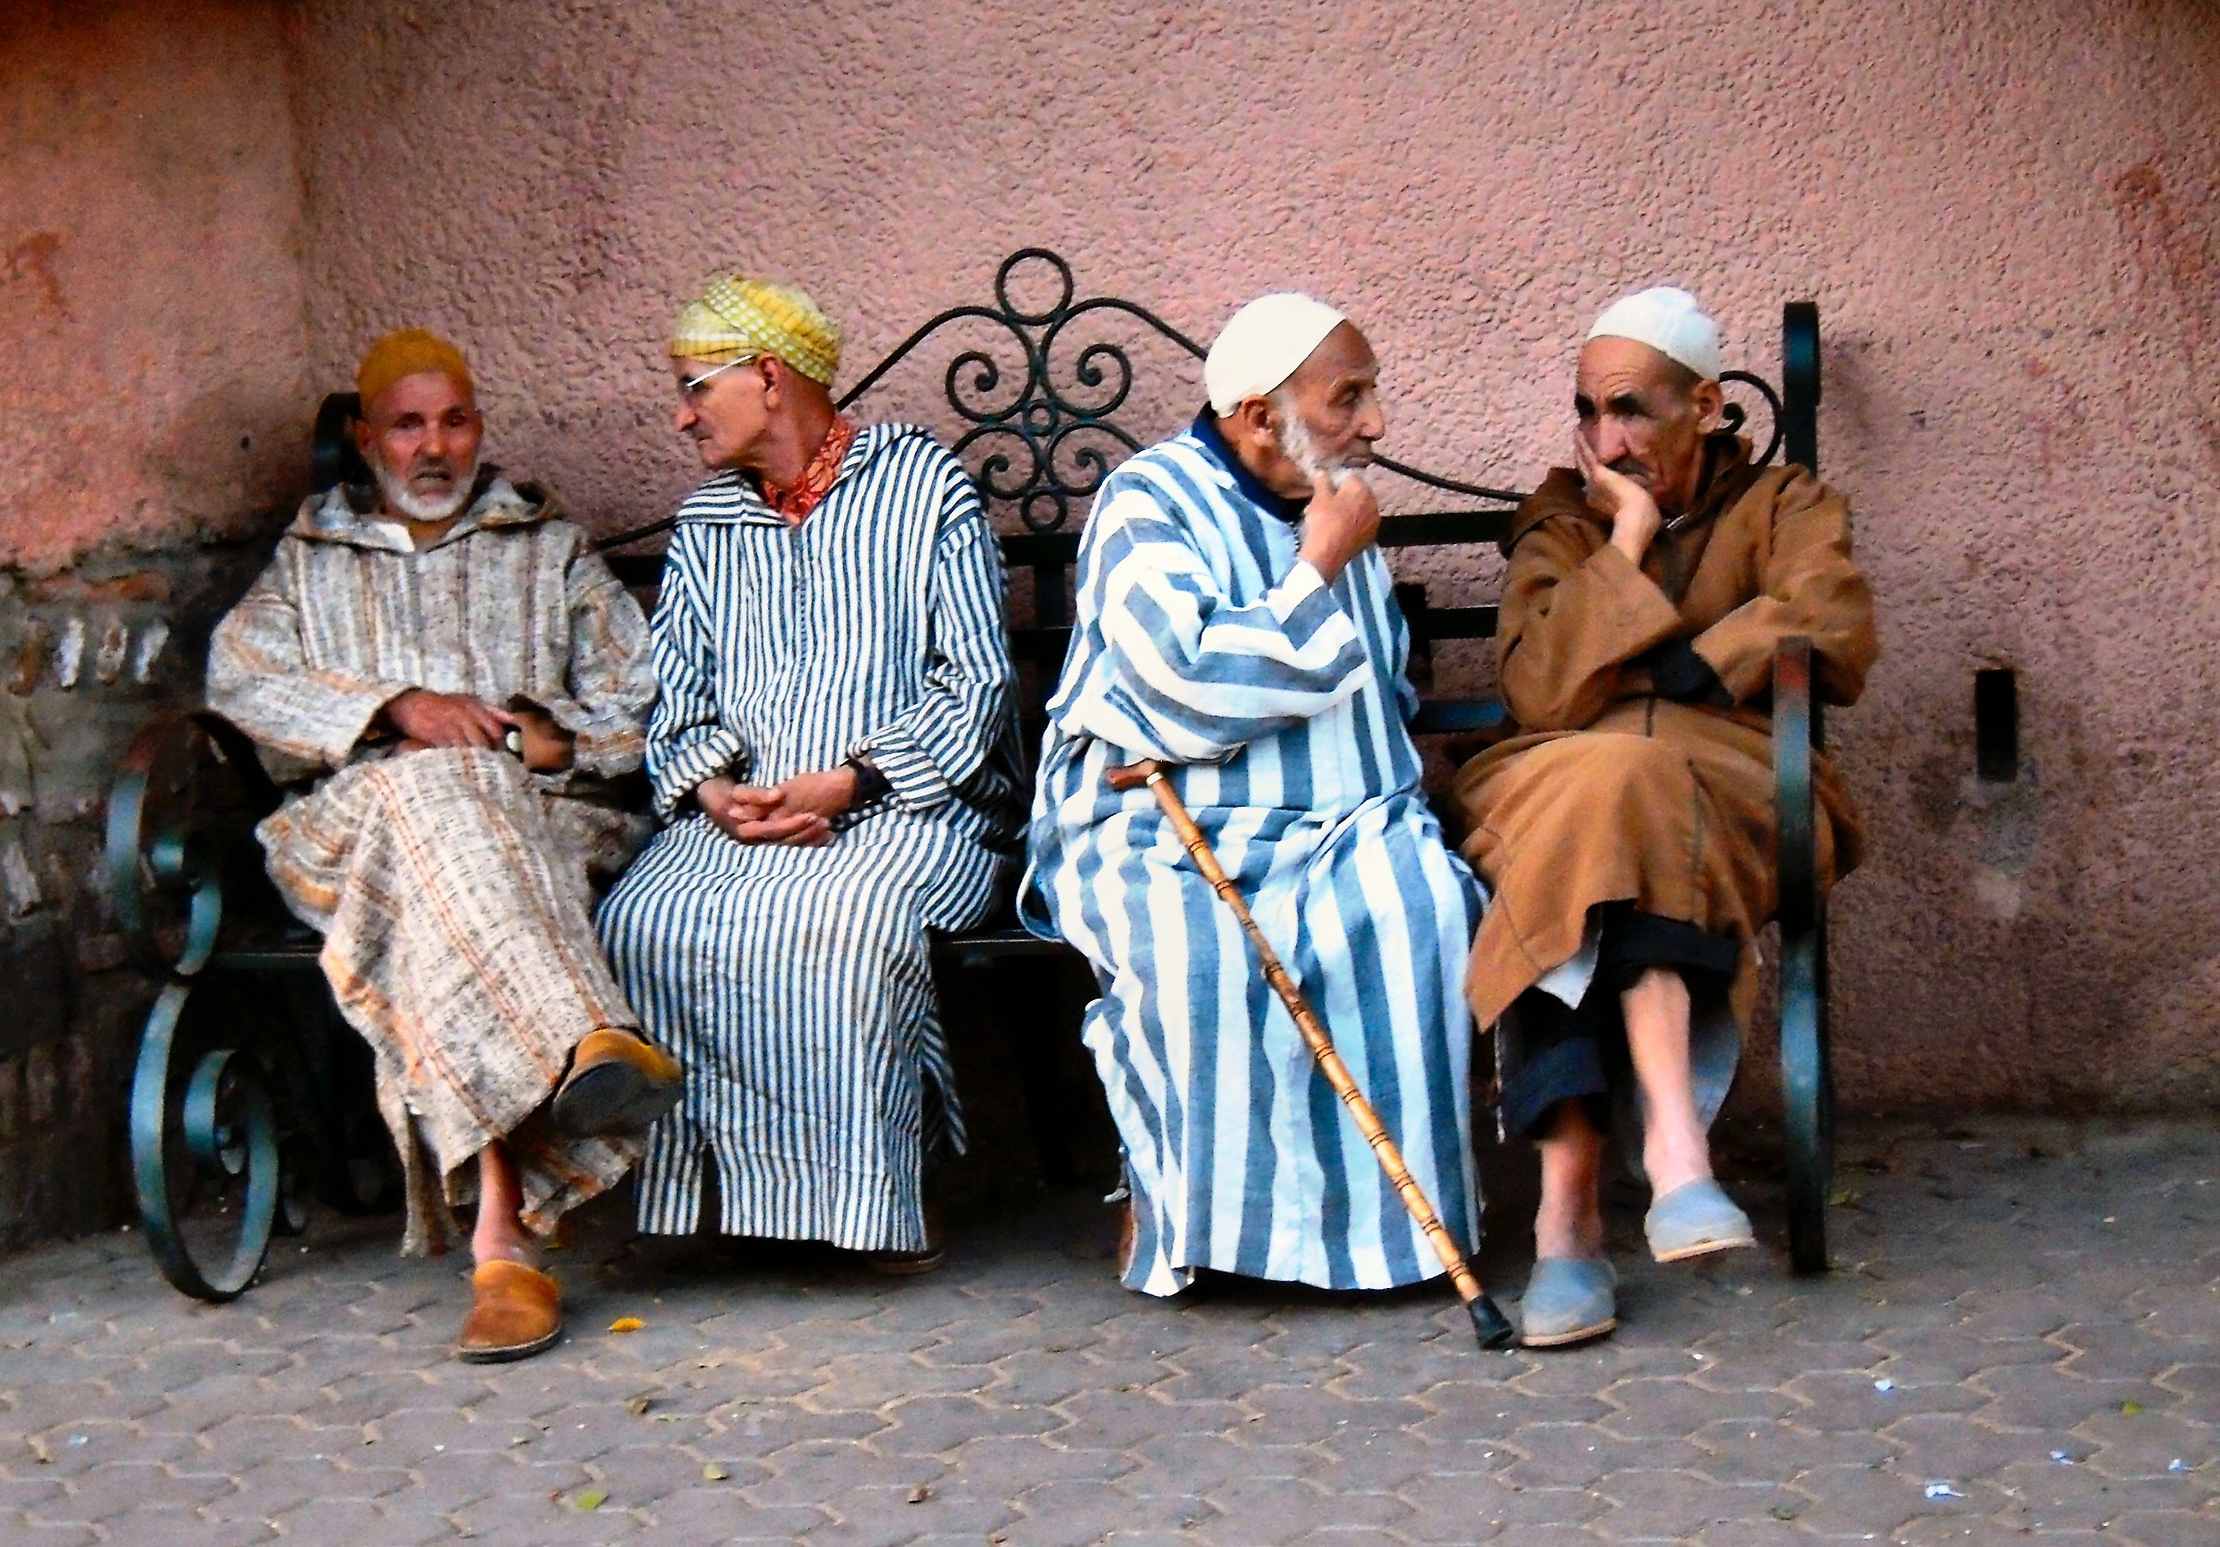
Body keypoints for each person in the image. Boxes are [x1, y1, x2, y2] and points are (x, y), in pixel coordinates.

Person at [207, 328, 681, 1362]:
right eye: (410, 424)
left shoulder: (544, 548)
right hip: (352, 829)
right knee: (433, 798)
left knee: (455, 837)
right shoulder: (312, 559)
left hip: (534, 825)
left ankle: (501, 1242)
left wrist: (525, 734)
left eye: (456, 421)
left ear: (480, 430)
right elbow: (239, 679)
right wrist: (396, 708)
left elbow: (638, 701)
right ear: (368, 438)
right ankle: (585, 1040)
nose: (436, 447)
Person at [1023, 292, 1483, 1299]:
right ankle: (1203, 1228)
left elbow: (1380, 681)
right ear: (1255, 416)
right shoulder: (1150, 502)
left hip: (1348, 816)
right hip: (1158, 817)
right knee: (1198, 955)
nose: (1375, 426)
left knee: (1418, 912)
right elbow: (1182, 686)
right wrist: (1319, 565)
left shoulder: (1338, 501)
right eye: (1347, 399)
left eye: (1371, 396)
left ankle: (1389, 1243)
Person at [1447, 286, 1880, 1348]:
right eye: (1589, 412)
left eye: (1633, 409)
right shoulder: (1560, 517)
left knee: (1603, 817)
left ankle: (1568, 1220)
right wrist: (1627, 543)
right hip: (1557, 773)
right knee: (1605, 793)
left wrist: (1697, 660)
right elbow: (1545, 693)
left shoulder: (1786, 503)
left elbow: (1830, 621)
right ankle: (1676, 1156)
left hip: (1734, 784)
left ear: (1712, 407)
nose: (1608, 438)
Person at [596, 275, 1022, 1269]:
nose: (682, 410)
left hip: (917, 807)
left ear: (771, 378)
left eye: (698, 386)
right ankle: (728, 1198)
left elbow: (975, 684)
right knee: (645, 919)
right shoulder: (708, 524)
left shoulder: (923, 490)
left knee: (845, 921)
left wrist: (851, 783)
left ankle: (874, 1206)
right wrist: (713, 793)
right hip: (747, 815)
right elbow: (681, 703)